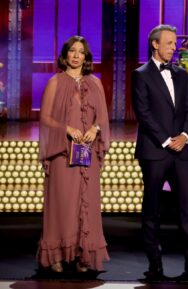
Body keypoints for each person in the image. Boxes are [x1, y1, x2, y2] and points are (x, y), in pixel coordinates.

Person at [131, 24, 188, 280]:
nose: (173, 48)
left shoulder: (182, 74)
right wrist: (167, 140)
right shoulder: (141, 74)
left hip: (182, 151)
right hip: (156, 150)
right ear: (155, 44)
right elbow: (143, 113)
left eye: (174, 44)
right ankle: (154, 261)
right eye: (169, 43)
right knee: (152, 207)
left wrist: (185, 136)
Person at [38, 35, 110, 273]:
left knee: (86, 204)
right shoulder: (55, 83)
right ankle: (56, 255)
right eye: (72, 51)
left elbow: (103, 118)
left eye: (81, 52)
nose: (77, 55)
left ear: (86, 57)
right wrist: (66, 129)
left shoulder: (95, 83)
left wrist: (94, 128)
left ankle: (83, 256)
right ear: (65, 55)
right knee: (63, 204)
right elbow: (46, 118)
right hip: (62, 152)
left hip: (86, 155)